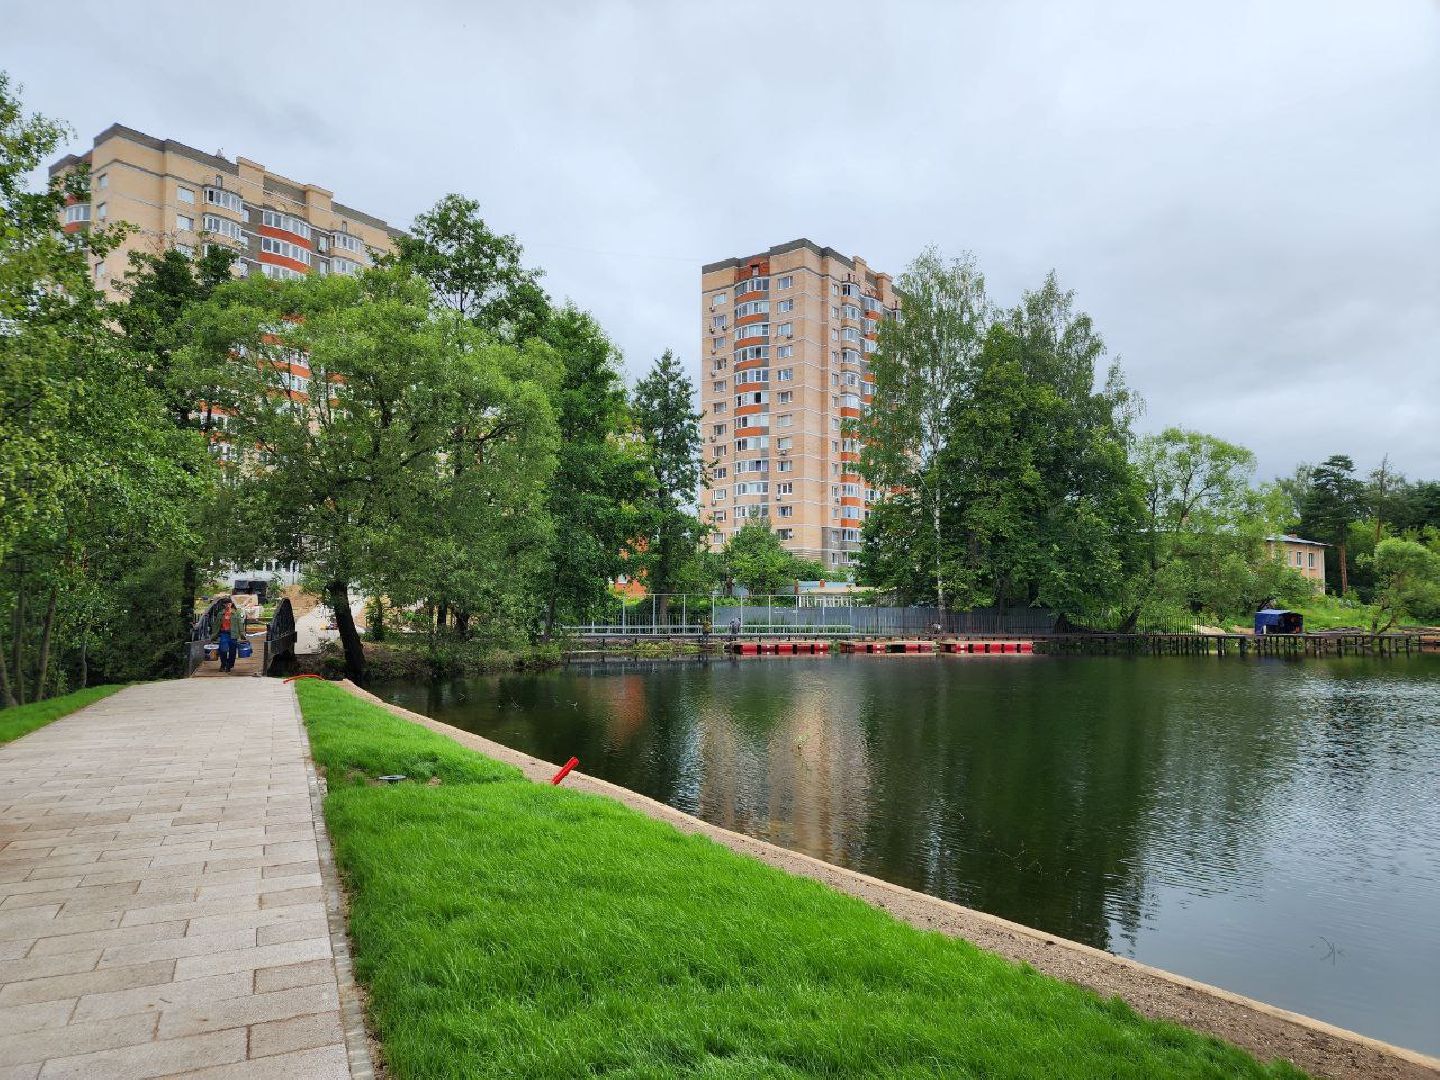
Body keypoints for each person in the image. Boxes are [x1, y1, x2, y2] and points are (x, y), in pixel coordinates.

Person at [215, 597, 244, 673]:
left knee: (232, 651)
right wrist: (214, 635)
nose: (228, 605)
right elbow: (216, 625)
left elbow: (240, 624)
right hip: (224, 633)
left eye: (229, 603)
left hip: (233, 634)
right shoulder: (220, 614)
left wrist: (242, 634)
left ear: (231, 604)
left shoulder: (236, 613)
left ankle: (229, 665)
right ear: (224, 605)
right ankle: (223, 664)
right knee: (222, 650)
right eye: (226, 604)